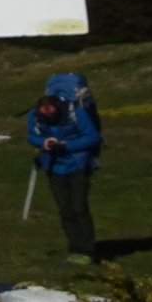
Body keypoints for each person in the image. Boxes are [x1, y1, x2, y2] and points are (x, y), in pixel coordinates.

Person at [27, 74, 103, 266]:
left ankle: (88, 250)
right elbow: (32, 137)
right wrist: (44, 142)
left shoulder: (76, 113)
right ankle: (74, 247)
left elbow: (93, 137)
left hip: (78, 164)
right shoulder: (34, 117)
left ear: (58, 109)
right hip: (53, 166)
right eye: (46, 116)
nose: (49, 118)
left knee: (79, 206)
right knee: (65, 209)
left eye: (52, 115)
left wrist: (66, 146)